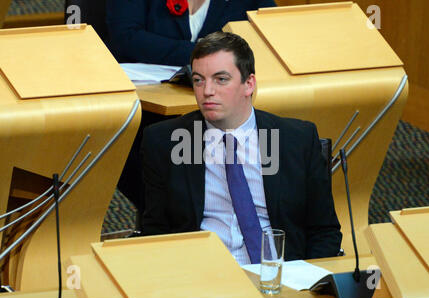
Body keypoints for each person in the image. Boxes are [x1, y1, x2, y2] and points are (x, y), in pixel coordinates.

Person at [140, 31, 342, 265]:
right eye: (198, 80)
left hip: (281, 277)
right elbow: (155, 233)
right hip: (202, 279)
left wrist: (306, 283)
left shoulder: (296, 139)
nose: (207, 91)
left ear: (249, 84)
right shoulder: (165, 141)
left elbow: (324, 231)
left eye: (221, 79)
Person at [105, 0, 277, 224]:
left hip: (230, 111)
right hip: (147, 112)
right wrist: (208, 58)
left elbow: (269, 34)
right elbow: (126, 39)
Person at [106, 0, 276, 66]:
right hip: (148, 99)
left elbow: (274, 36)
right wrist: (203, 52)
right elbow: (126, 37)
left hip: (223, 97)